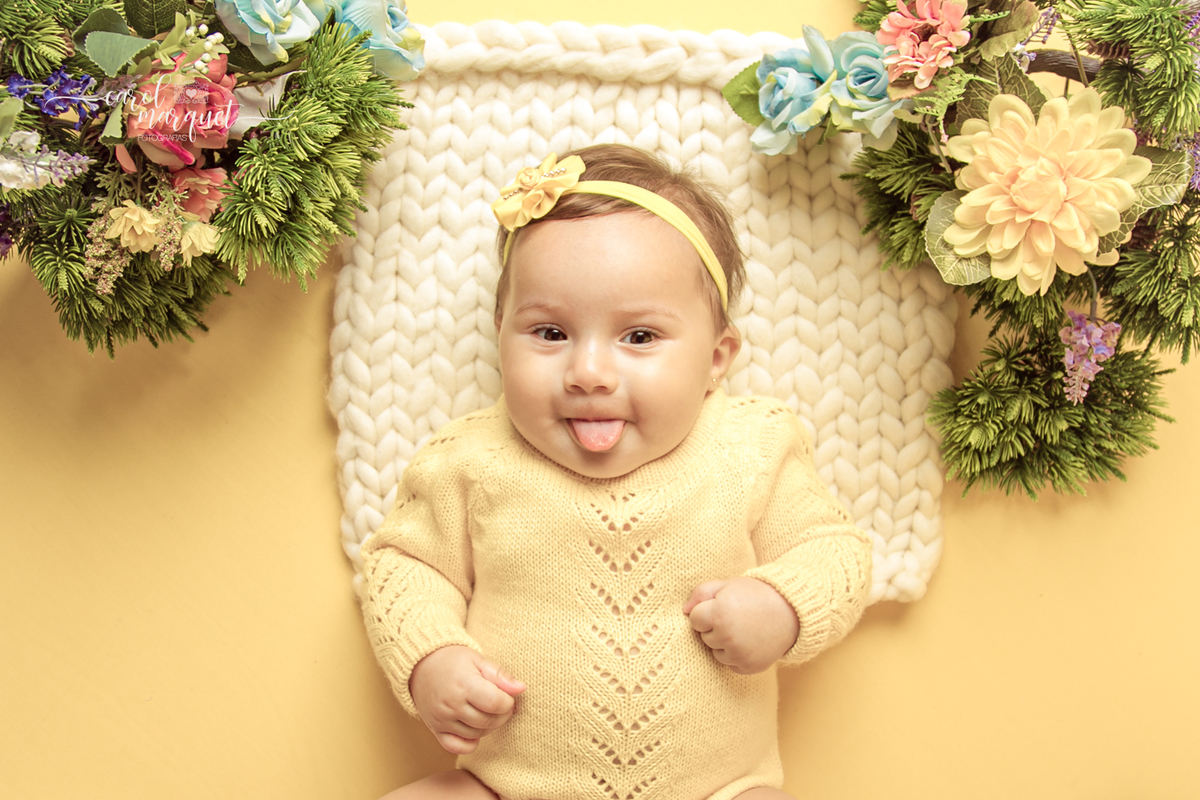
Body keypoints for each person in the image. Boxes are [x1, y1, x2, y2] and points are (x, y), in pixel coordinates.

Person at [360, 144, 873, 800]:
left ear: (717, 358)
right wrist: (433, 658)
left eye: (638, 338)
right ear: (500, 333)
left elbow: (834, 551)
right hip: (507, 788)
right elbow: (403, 568)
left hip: (721, 790)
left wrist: (783, 607)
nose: (589, 373)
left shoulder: (752, 446)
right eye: (549, 333)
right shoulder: (470, 461)